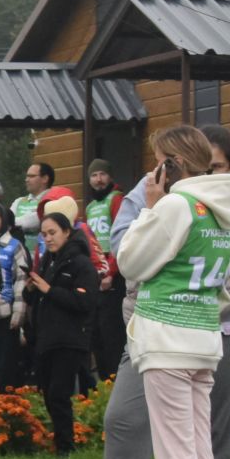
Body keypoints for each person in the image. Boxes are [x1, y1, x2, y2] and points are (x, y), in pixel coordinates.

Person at [77, 125, 230, 459]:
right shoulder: (178, 196)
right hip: (180, 328)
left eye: (217, 167)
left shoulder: (189, 202)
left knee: (195, 445)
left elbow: (134, 259)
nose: (208, 174)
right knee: (137, 424)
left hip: (193, 328)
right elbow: (125, 246)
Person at [26, 210, 98, 455]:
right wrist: (31, 289)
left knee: (59, 393)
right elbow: (41, 296)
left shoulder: (81, 263)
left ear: (67, 232)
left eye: (53, 233)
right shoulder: (47, 261)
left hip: (71, 338)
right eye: (44, 234)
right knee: (48, 392)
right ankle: (61, 441)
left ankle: (66, 447)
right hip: (47, 337)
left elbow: (85, 302)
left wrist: (48, 289)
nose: (48, 238)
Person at [85, 159, 128, 380]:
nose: (98, 180)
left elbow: (121, 239)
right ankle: (103, 384)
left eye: (102, 174)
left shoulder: (116, 199)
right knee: (97, 334)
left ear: (110, 177)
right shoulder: (91, 207)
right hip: (95, 272)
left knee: (111, 333)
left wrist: (110, 273)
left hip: (113, 273)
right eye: (94, 175)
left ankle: (114, 380)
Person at [0, 204, 25, 391]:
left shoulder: (14, 246)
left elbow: (22, 280)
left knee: (5, 367)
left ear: (3, 221)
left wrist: (18, 312)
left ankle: (8, 413)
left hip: (6, 314)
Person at [11, 161, 53, 251]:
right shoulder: (18, 201)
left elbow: (33, 222)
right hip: (19, 258)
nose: (26, 180)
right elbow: (7, 223)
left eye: (32, 176)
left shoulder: (51, 201)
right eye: (27, 176)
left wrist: (13, 223)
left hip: (42, 257)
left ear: (45, 179)